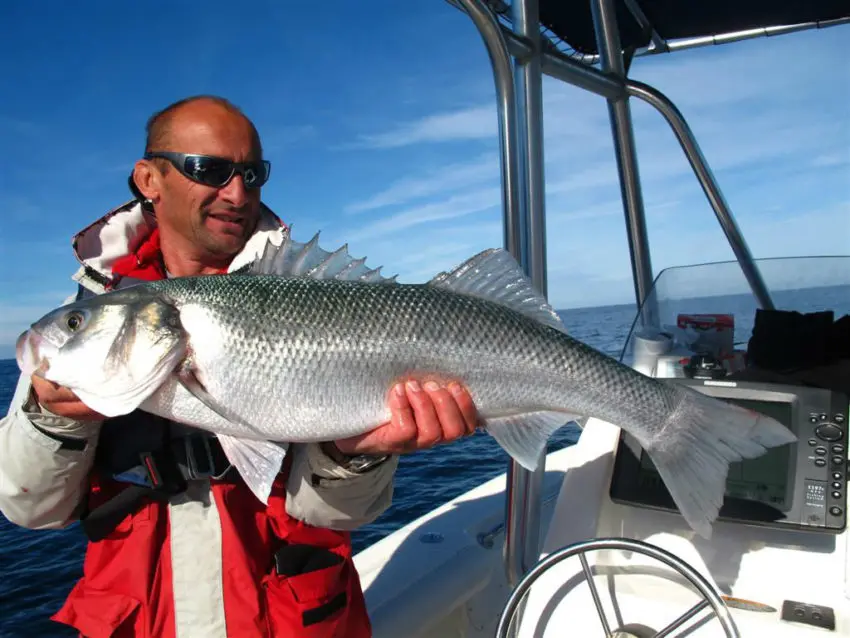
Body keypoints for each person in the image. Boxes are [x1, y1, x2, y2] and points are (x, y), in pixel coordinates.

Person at [0, 95, 480, 638]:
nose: (237, 191)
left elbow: (337, 517)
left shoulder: (308, 289)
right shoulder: (100, 316)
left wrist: (354, 458)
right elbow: (28, 507)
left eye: (252, 173)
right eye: (210, 169)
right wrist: (54, 417)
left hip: (299, 619)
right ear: (148, 179)